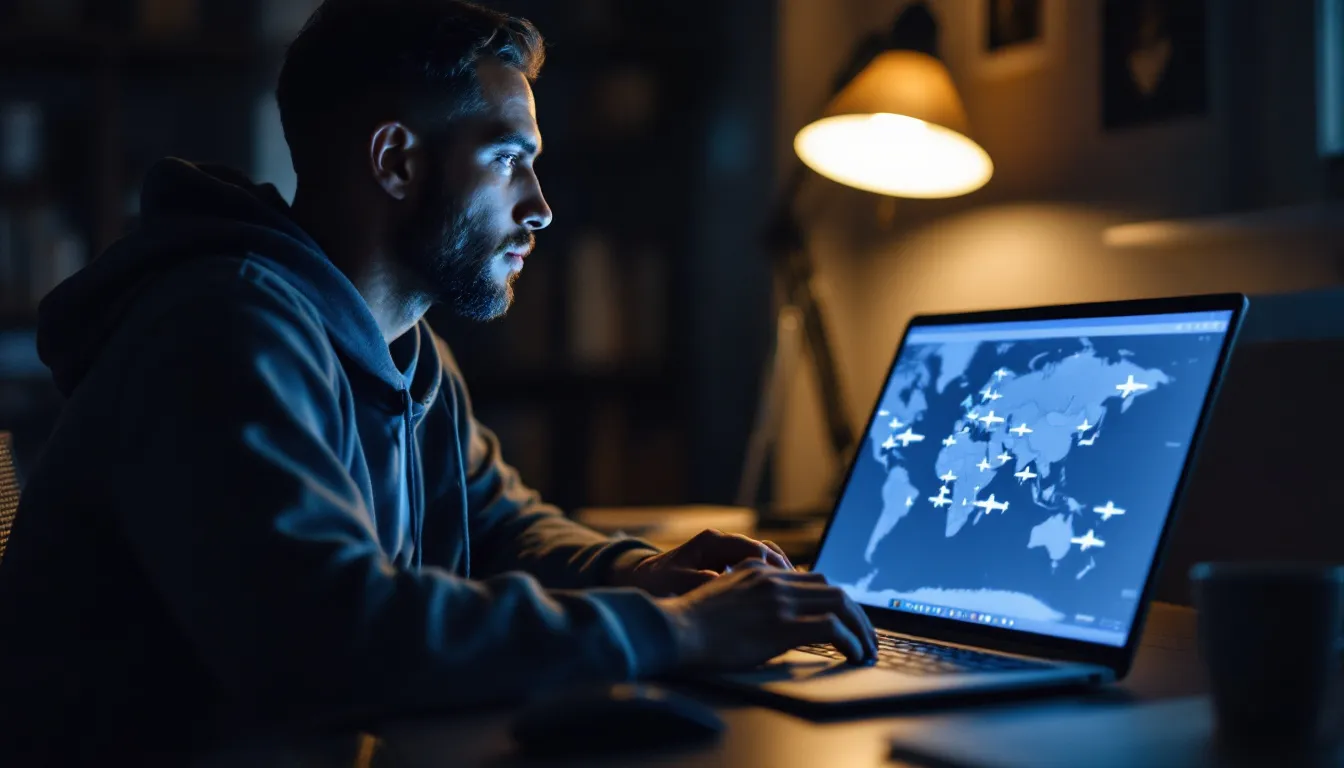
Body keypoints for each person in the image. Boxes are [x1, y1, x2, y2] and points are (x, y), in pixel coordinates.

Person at [0, 0, 876, 759]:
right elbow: (326, 637)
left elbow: (503, 528)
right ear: (395, 161)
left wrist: (648, 575)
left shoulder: (403, 344)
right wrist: (684, 631)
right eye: (507, 159)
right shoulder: (222, 330)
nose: (539, 205)